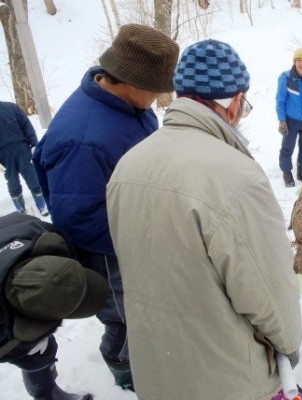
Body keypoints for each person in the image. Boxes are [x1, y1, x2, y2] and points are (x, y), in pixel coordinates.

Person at [106, 39, 302, 400]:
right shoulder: (236, 176)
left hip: (157, 372)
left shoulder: (128, 166)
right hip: (228, 380)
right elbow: (268, 291)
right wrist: (288, 345)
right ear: (233, 102)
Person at [32, 24, 179, 390]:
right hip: (108, 250)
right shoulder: (83, 141)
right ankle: (123, 367)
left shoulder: (128, 107)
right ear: (130, 81)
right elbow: (78, 219)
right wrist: (143, 238)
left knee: (146, 307)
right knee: (125, 315)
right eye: (156, 89)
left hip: (133, 229)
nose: (159, 98)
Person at [0, 212, 108, 400]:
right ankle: (45, 393)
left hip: (10, 236)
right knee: (34, 353)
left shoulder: (42, 234)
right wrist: (24, 344)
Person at [276, 47, 302, 187]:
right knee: (287, 147)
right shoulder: (286, 77)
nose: (301, 63)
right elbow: (280, 101)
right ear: (294, 61)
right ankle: (287, 173)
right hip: (291, 121)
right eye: (298, 60)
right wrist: (282, 120)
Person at [0, 101, 48, 215]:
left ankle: (26, 208)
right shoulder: (11, 107)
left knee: (18, 179)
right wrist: (33, 143)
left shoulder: (10, 107)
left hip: (13, 151)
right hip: (15, 150)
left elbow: (26, 124)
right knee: (24, 178)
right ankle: (38, 207)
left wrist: (34, 144)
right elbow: (26, 124)